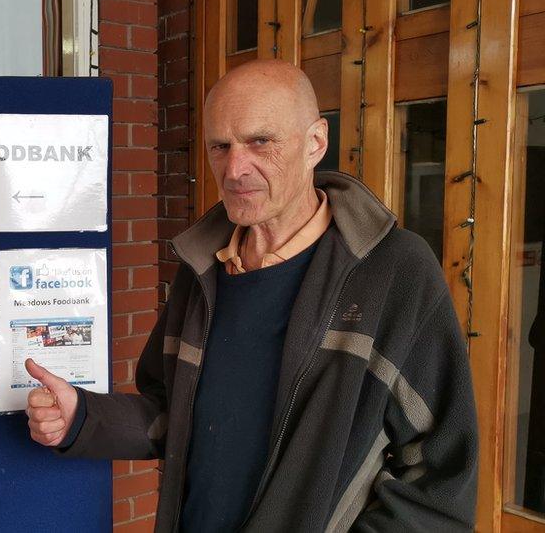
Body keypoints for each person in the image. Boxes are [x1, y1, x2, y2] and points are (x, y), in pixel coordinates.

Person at [24, 59, 478, 532]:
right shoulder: (203, 267)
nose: (236, 168)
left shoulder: (394, 271)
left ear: (315, 142)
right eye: (220, 146)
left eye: (261, 141)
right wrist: (83, 416)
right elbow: (170, 414)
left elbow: (440, 473)